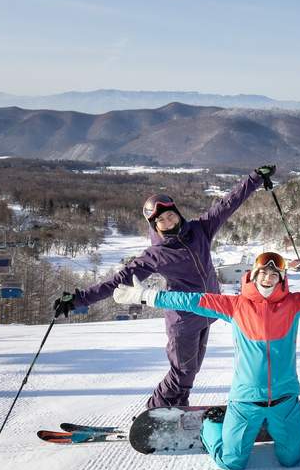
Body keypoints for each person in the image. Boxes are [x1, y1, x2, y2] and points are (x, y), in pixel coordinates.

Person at [114, 250, 300, 470]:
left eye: (274, 274)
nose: (268, 277)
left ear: (282, 279)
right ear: (253, 275)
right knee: (232, 462)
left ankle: (295, 427)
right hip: (245, 401)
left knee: (292, 459)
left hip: (285, 399)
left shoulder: (293, 304)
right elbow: (188, 300)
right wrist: (144, 295)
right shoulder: (235, 306)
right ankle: (212, 426)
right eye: (263, 272)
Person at [53, 165, 276, 409]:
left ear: (177, 213)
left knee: (190, 372)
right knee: (181, 373)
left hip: (207, 314)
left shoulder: (201, 229)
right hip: (184, 321)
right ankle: (154, 413)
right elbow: (118, 282)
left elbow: (228, 204)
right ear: (154, 225)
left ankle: (177, 409)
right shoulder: (156, 255)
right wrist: (78, 299)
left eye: (170, 215)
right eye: (160, 220)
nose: (168, 221)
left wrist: (255, 179)